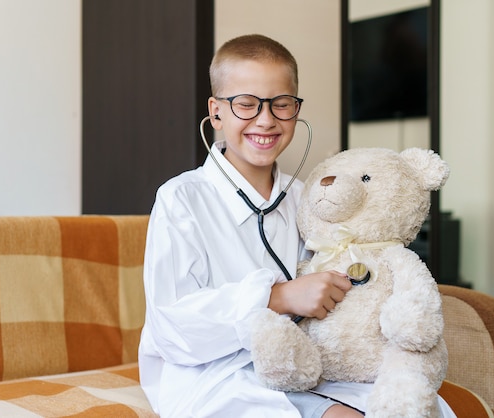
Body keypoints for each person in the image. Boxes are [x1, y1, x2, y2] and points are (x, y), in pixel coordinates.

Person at [138, 34, 363, 418]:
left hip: (305, 364)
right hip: (215, 375)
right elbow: (173, 329)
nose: (266, 120)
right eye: (246, 104)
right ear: (216, 111)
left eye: (281, 104)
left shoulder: (305, 197)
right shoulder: (182, 200)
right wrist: (278, 297)